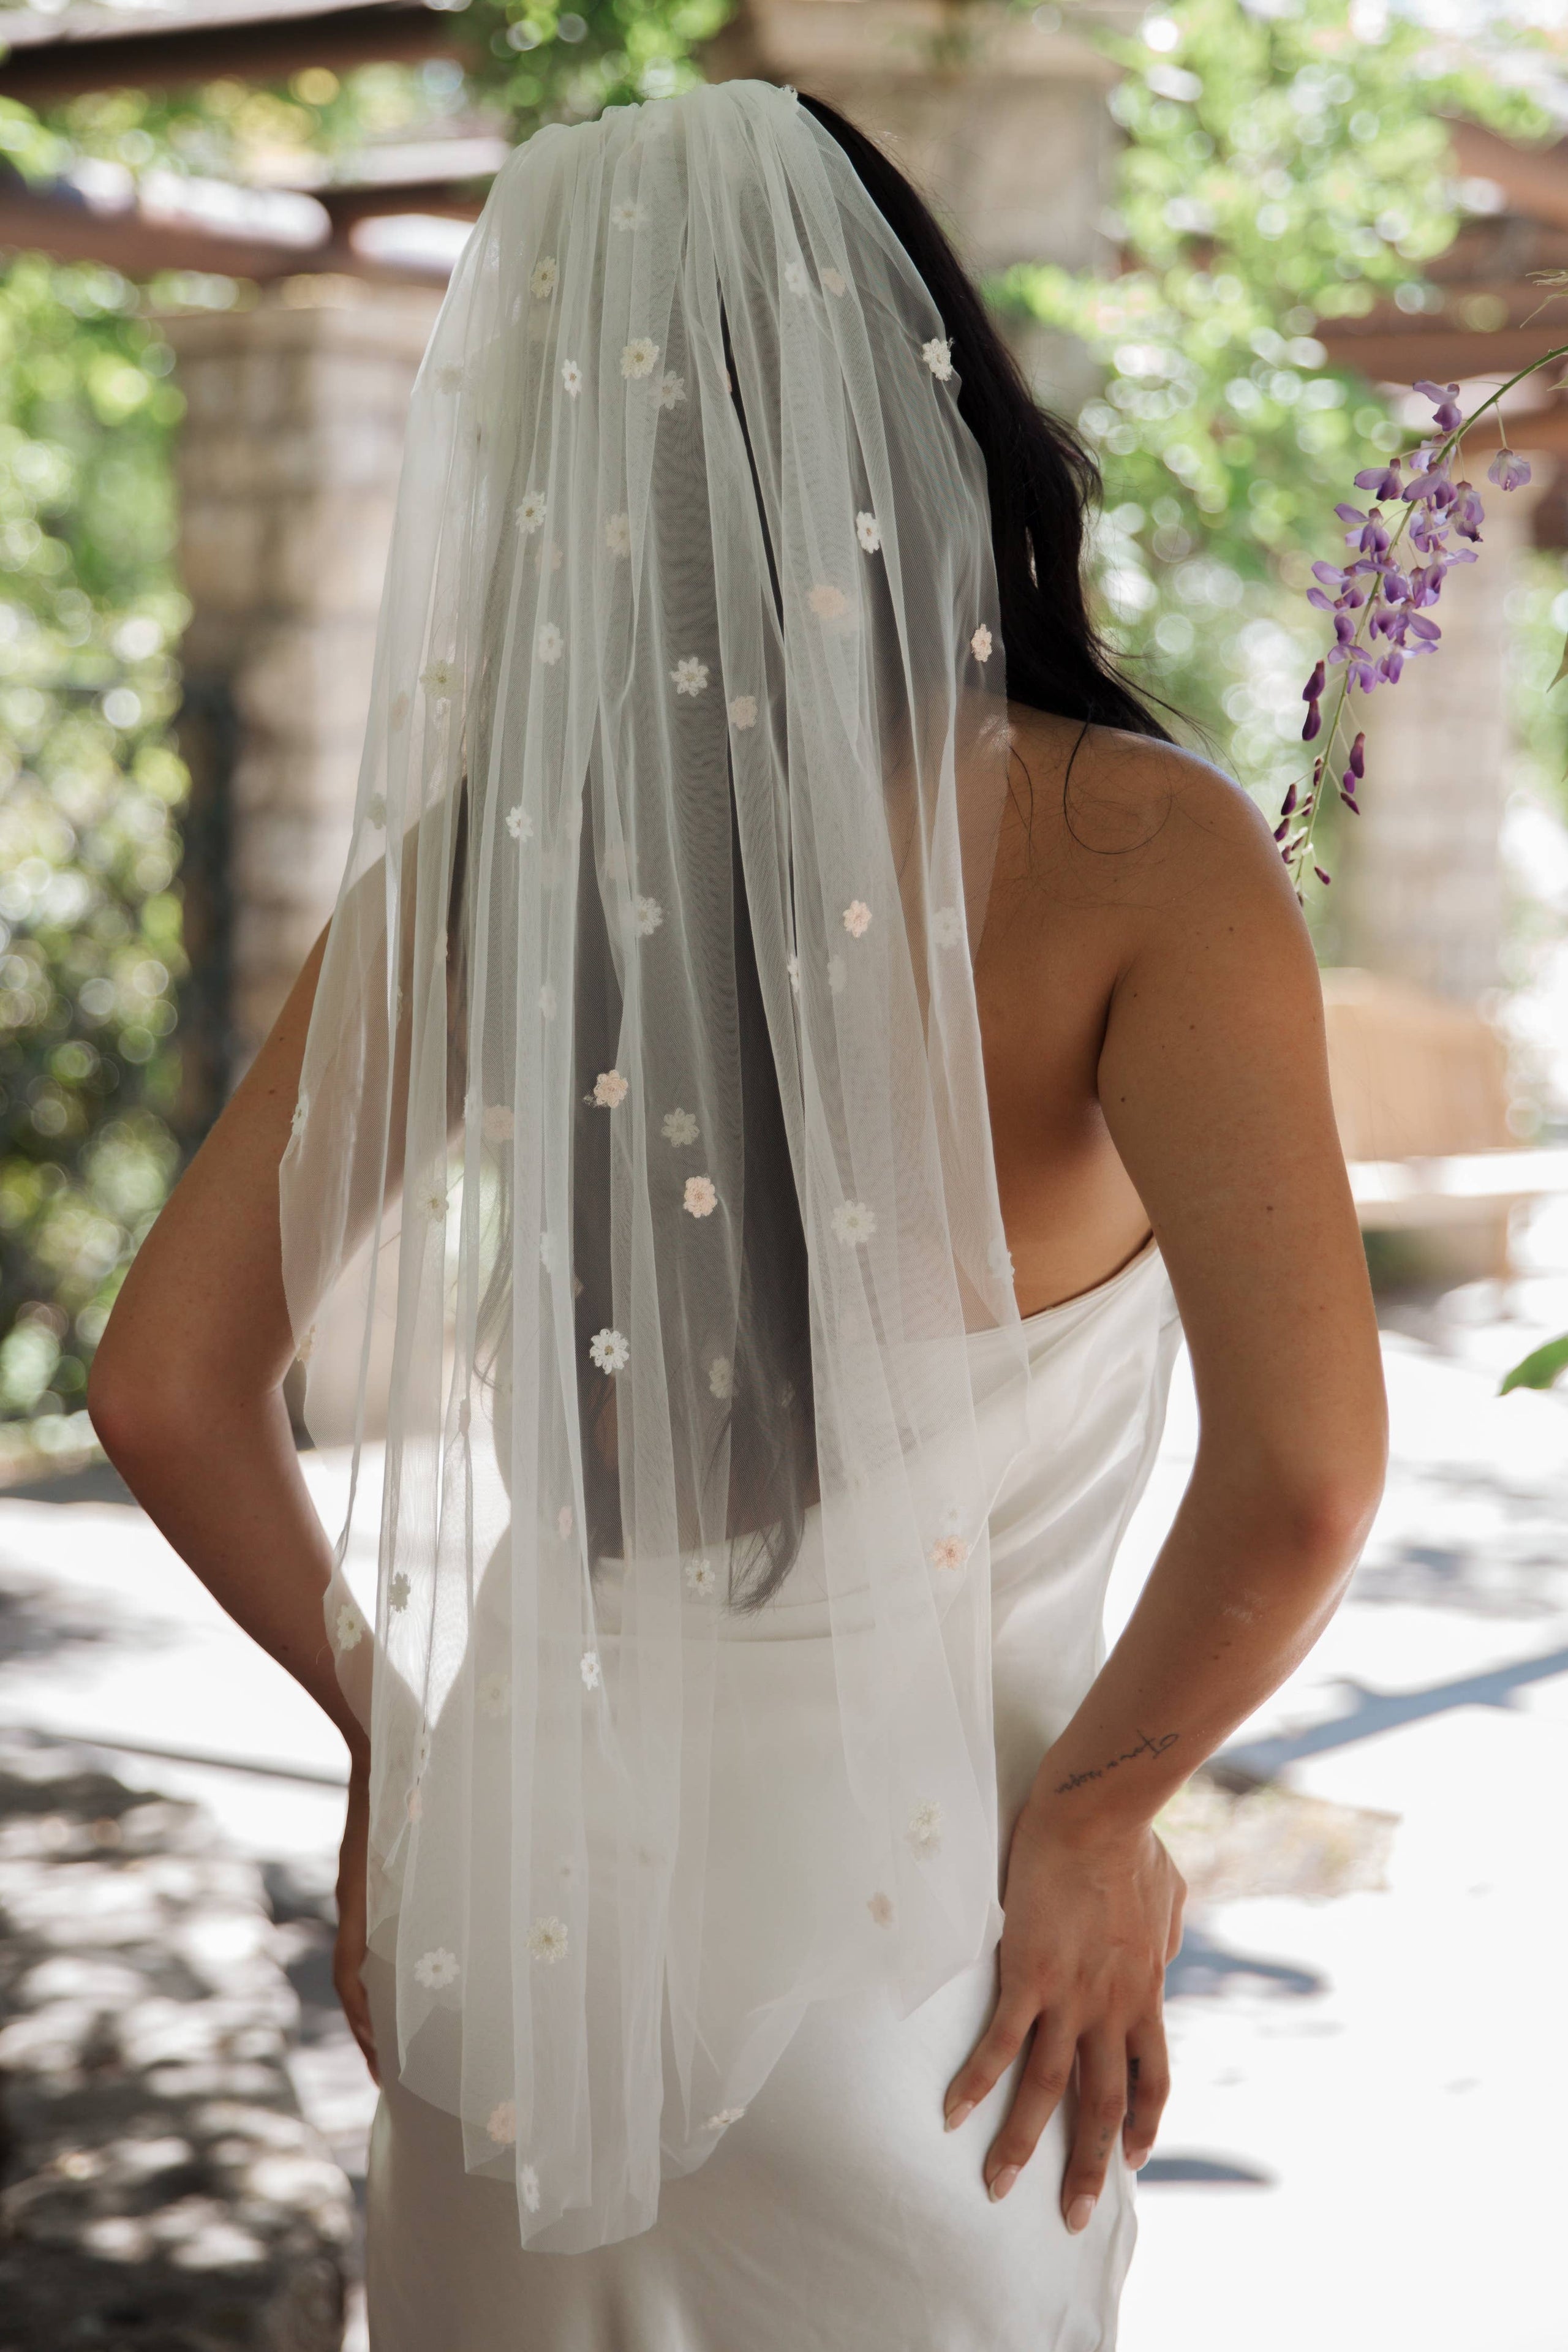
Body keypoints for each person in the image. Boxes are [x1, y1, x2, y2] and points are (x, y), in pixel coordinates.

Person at [89, 80, 1387, 2349]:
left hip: (530, 1932)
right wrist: (1101, 1818)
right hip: (934, 1964)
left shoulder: (489, 869)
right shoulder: (1136, 858)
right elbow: (1300, 1483)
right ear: (926, 393)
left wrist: (409, 1741)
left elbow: (164, 1385)